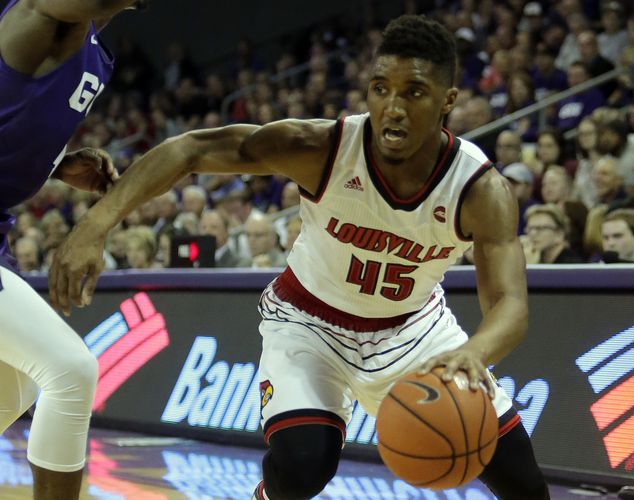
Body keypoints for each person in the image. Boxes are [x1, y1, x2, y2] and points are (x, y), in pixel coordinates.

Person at [50, 15, 549, 500]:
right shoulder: (321, 148)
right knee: (302, 467)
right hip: (309, 324)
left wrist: (475, 353)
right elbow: (191, 149)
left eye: (414, 92)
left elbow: (511, 304)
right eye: (381, 88)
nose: (392, 107)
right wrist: (96, 224)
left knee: (523, 483)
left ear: (448, 101)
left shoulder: (480, 190)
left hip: (413, 330)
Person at [0, 1, 149, 499]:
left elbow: (13, 115)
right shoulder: (40, 17)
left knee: (18, 384)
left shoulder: (95, 52)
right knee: (71, 369)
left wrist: (57, 163)